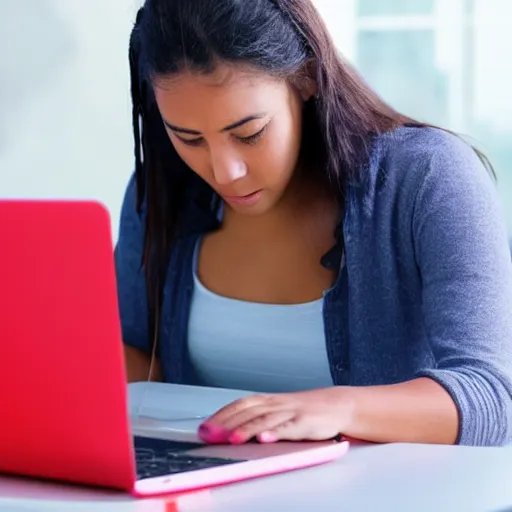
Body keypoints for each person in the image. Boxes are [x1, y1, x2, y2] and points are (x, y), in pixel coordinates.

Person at [116, 0, 512, 448]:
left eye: (249, 134)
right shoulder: (161, 192)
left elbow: (493, 400)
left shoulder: (426, 178)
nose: (224, 171)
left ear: (306, 76)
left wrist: (335, 408)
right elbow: (141, 363)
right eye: (188, 138)